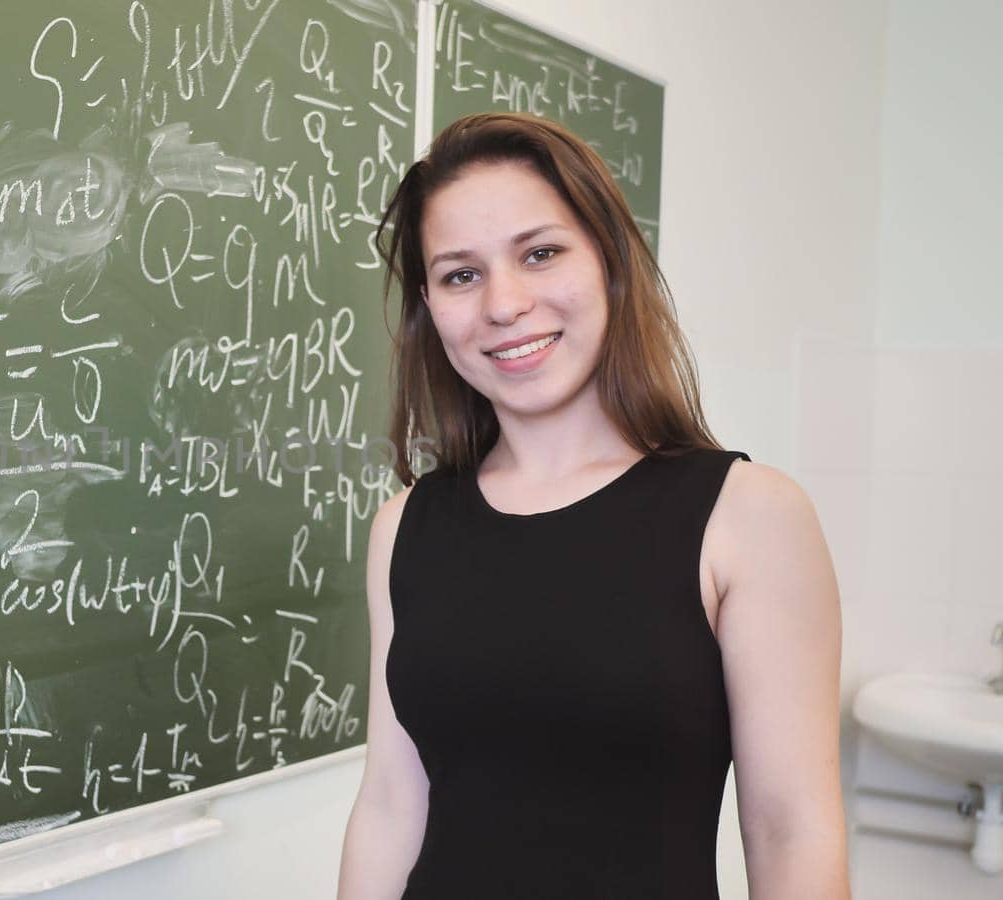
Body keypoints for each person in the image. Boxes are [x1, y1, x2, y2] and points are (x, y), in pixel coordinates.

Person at [335, 113, 849, 898]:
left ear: (609, 262)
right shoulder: (404, 527)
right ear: (429, 308)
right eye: (460, 274)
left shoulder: (748, 516)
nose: (503, 304)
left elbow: (791, 829)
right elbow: (390, 805)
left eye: (540, 253)